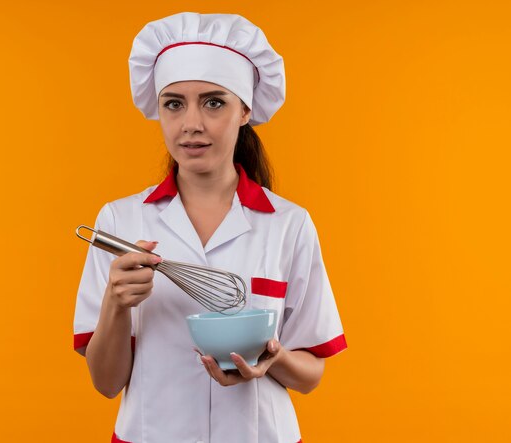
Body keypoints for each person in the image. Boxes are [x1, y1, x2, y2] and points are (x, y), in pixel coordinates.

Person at [73, 12, 347, 443]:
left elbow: (311, 375)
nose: (191, 124)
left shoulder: (289, 224)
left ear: (244, 110)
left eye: (214, 102)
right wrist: (116, 303)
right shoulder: (120, 221)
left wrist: (270, 358)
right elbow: (106, 384)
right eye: (174, 103)